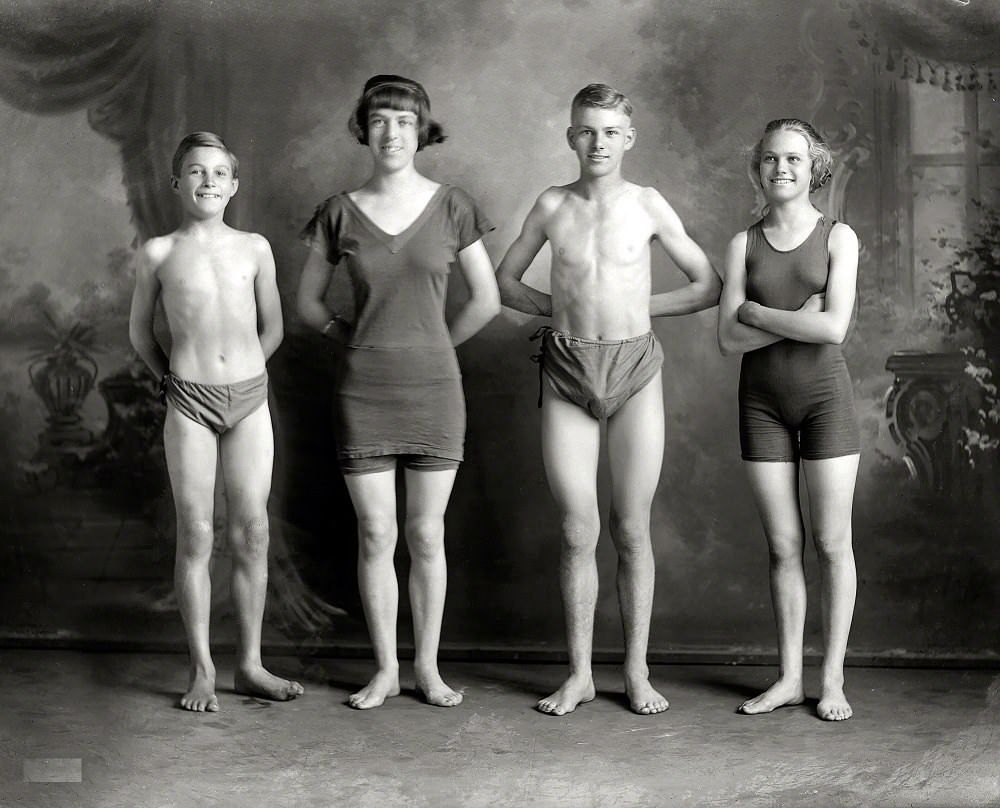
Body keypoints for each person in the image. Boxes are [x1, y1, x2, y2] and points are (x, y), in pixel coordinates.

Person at [496, 83, 720, 716]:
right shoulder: (551, 204)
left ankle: (637, 671)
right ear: (571, 137)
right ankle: (579, 675)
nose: (598, 143)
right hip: (567, 368)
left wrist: (633, 307)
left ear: (630, 139)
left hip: (634, 369)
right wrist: (557, 308)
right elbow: (505, 282)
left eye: (611, 132)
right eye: (586, 131)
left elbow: (707, 285)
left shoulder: (648, 205)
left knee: (630, 526)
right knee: (576, 530)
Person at [296, 75, 500, 710]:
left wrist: (434, 346)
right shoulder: (338, 210)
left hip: (436, 392)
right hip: (364, 393)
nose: (392, 132)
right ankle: (385, 669)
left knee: (426, 534)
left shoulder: (454, 205)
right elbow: (304, 303)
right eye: (380, 120)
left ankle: (428, 670)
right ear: (364, 128)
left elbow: (487, 301)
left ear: (422, 132)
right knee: (376, 534)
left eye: (405, 122)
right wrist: (349, 334)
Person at [129, 132, 302, 712]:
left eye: (218, 173)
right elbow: (140, 332)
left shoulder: (255, 247)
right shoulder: (158, 252)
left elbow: (273, 327)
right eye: (195, 173)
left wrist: (248, 374)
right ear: (177, 184)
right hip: (188, 402)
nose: (207, 182)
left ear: (234, 184)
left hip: (250, 398)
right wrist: (171, 383)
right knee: (198, 531)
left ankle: (250, 664)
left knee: (253, 531)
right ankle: (202, 668)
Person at [717, 118, 860, 721]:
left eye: (794, 160)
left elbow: (833, 329)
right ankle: (789, 679)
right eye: (771, 159)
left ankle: (832, 681)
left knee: (830, 543)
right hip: (762, 407)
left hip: (826, 401)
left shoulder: (839, 237)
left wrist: (756, 310)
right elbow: (727, 340)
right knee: (782, 547)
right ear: (759, 167)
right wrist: (789, 313)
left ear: (813, 169)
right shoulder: (740, 244)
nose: (781, 168)